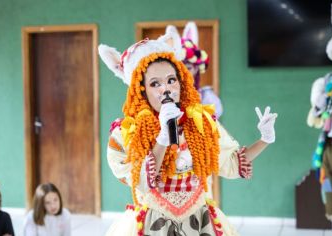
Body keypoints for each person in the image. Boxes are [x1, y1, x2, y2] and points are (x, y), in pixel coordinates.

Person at [99, 30, 277, 235]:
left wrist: (265, 139)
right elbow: (141, 182)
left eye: (171, 80)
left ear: (181, 81)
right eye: (155, 83)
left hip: (199, 222)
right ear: (141, 90)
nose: (165, 89)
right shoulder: (126, 133)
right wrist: (164, 136)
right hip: (153, 224)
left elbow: (232, 162)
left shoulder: (201, 123)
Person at [307, 1, 332, 234]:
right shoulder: (328, 81)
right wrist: (319, 104)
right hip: (329, 146)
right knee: (330, 192)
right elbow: (317, 113)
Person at [166, 21, 224, 119]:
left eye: (188, 68)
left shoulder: (207, 98)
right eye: (178, 68)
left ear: (196, 69)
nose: (183, 73)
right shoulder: (164, 96)